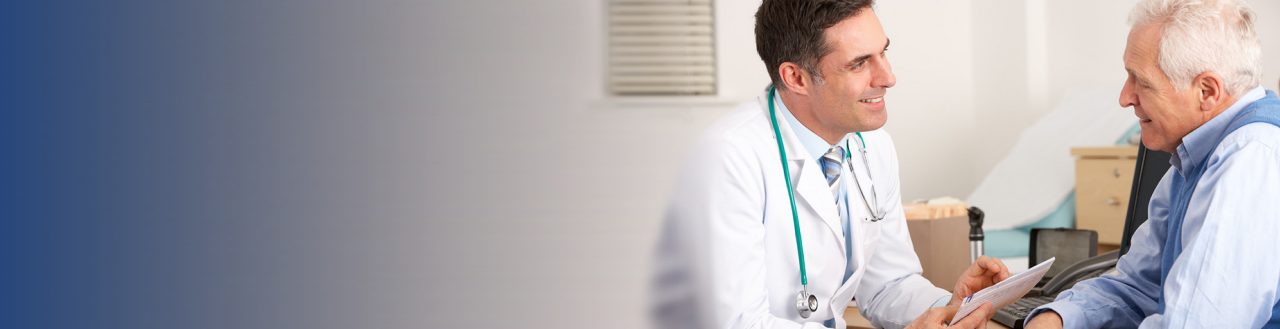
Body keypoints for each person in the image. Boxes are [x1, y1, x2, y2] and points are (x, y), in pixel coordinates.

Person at [651, 1, 1010, 328]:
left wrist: (952, 307)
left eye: (883, 53)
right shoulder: (729, 157)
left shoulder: (872, 145)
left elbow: (889, 285)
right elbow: (739, 323)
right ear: (796, 77)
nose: (887, 77)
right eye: (859, 63)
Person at [1024, 0, 1280, 328]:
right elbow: (1136, 287)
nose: (1124, 97)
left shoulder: (1250, 158)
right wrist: (1055, 319)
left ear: (1207, 91)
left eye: (1141, 81)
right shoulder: (1189, 163)